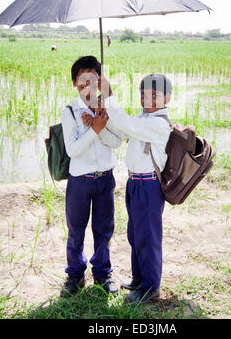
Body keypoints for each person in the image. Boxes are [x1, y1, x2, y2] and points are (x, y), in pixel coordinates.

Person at [100, 73, 172, 303]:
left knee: (148, 238)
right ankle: (139, 279)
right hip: (134, 184)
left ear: (167, 98)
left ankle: (151, 289)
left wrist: (109, 96)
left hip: (149, 186)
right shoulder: (144, 117)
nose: (148, 100)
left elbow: (127, 124)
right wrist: (104, 118)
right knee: (135, 235)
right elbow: (122, 129)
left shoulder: (159, 124)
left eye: (154, 96)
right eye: (143, 95)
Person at [60, 55, 123, 297]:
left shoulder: (105, 109)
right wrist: (93, 129)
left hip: (105, 178)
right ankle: (75, 275)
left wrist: (100, 125)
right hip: (80, 181)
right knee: (76, 229)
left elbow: (117, 142)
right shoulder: (70, 112)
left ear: (100, 82)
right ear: (75, 83)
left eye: (93, 80)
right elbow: (73, 150)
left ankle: (102, 272)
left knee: (104, 228)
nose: (88, 87)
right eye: (82, 81)